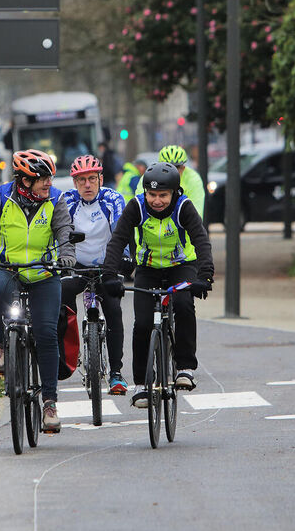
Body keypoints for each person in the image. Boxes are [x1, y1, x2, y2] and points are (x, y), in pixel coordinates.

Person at [0, 149, 76, 433]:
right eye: (42, 178)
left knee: (46, 334)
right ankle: (0, 345)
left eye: (50, 177)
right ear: (24, 179)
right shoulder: (0, 197)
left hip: (44, 273)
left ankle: (49, 403)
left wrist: (67, 255)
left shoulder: (56, 200)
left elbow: (65, 232)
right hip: (7, 269)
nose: (49, 183)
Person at [101, 161, 214, 408]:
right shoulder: (136, 207)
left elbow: (201, 240)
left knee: (184, 305)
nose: (157, 200)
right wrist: (110, 274)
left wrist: (204, 276)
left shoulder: (184, 207)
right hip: (148, 269)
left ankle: (185, 367)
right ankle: (141, 385)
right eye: (152, 194)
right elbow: (118, 239)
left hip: (180, 266)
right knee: (142, 323)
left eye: (163, 195)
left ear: (174, 192)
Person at [60, 155, 130, 395]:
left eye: (91, 179)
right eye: (81, 180)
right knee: (61, 299)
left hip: (106, 265)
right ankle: (69, 354)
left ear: (100, 178)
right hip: (76, 264)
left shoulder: (112, 199)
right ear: (74, 183)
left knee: (113, 307)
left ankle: (116, 373)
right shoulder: (67, 201)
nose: (87, 185)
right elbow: (58, 234)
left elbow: (121, 230)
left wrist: (124, 259)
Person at [159, 145, 207, 218]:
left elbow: (196, 213)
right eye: (167, 166)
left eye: (177, 167)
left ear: (183, 168)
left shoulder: (193, 179)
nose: (172, 170)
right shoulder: (148, 177)